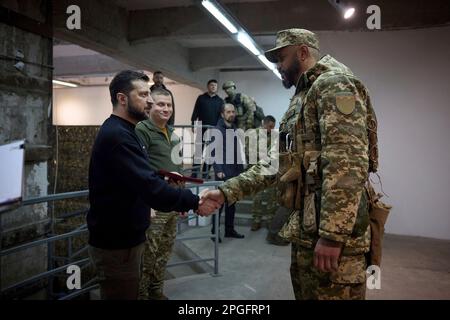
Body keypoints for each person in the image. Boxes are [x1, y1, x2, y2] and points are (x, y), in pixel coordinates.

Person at [200, 29, 379, 300]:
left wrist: (332, 235)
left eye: (281, 58)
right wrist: (227, 191)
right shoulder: (303, 96)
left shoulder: (334, 83)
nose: (278, 66)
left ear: (303, 53)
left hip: (331, 238)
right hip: (308, 228)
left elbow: (347, 162)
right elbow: (276, 163)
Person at [87, 70, 218, 300]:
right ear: (122, 99)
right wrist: (195, 200)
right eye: (143, 94)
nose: (149, 100)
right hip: (117, 242)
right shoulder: (118, 135)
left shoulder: (126, 131)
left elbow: (140, 175)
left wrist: (163, 178)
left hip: (127, 236)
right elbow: (147, 185)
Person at [135, 88, 183, 300]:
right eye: (160, 104)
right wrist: (146, 204)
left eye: (169, 105)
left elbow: (178, 171)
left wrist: (182, 200)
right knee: (148, 254)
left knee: (164, 251)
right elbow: (137, 170)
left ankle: (156, 291)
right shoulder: (141, 130)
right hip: (154, 204)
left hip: (172, 202)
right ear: (150, 106)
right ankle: (143, 295)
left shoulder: (173, 134)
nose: (166, 109)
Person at [249, 116, 288, 245]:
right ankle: (256, 221)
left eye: (273, 127)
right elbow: (249, 152)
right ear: (264, 124)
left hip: (271, 171)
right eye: (270, 126)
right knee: (257, 197)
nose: (271, 129)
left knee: (272, 198)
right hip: (258, 170)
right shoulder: (253, 134)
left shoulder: (274, 136)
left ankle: (270, 221)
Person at [211, 103, 245, 241]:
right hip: (223, 172)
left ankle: (229, 230)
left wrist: (241, 170)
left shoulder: (235, 129)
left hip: (235, 171)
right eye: (228, 112)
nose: (231, 114)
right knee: (219, 204)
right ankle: (214, 232)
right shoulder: (217, 130)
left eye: (233, 111)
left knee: (232, 203)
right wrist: (218, 170)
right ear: (222, 114)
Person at [190, 79, 224, 178]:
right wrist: (193, 123)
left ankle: (205, 173)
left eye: (215, 86)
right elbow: (195, 111)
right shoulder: (201, 98)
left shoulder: (220, 101)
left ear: (217, 88)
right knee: (198, 152)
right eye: (211, 85)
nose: (213, 87)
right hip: (201, 128)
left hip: (214, 129)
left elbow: (221, 116)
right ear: (208, 86)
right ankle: (194, 173)